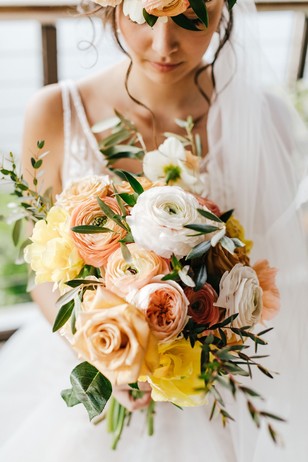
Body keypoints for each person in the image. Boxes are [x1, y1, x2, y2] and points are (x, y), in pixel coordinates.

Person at [0, 0, 307, 460]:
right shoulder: (54, 112)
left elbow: (277, 267)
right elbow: (40, 269)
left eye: (191, 17)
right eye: (147, 16)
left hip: (215, 392)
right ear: (113, 5)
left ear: (223, 10)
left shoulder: (268, 120)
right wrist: (106, 354)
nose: (165, 44)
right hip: (94, 372)